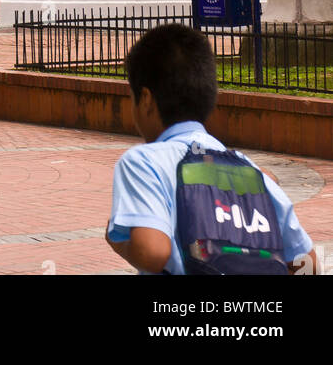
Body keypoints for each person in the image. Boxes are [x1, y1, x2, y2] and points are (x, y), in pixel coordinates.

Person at [106, 24, 315, 275]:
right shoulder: (252, 171)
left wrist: (120, 244)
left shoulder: (143, 162)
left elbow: (153, 252)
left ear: (147, 100)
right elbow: (308, 263)